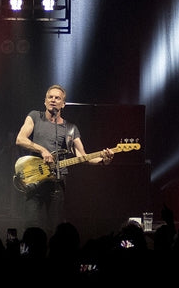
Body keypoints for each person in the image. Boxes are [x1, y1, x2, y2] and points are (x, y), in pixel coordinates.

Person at [14, 84, 114, 234]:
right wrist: (42, 150)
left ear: (63, 104)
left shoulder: (71, 128)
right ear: (45, 101)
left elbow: (82, 156)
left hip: (56, 184)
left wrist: (103, 160)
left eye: (57, 98)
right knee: (31, 227)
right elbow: (20, 139)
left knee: (54, 229)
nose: (53, 100)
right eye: (50, 97)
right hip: (35, 180)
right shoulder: (35, 116)